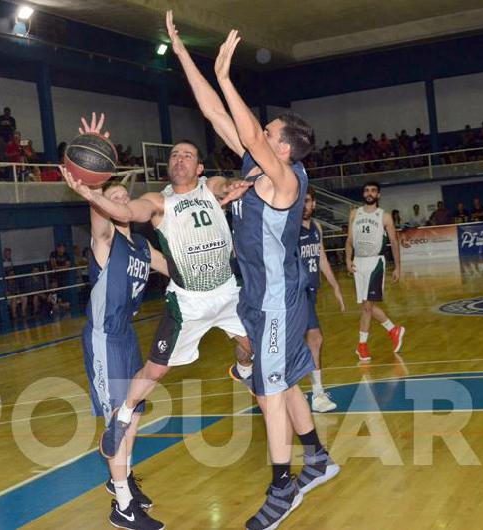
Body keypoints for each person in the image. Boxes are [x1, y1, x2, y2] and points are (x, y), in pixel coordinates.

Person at [199, 23, 338, 529]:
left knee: (270, 392)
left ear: (281, 149)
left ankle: (283, 488)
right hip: (259, 297)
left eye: (270, 131)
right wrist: (192, 64)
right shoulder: (258, 165)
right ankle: (317, 459)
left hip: (277, 300)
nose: (263, 131)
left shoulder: (283, 177)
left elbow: (249, 130)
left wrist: (226, 74)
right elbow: (217, 115)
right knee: (281, 384)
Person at [63, 115, 252, 467]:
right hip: (183, 306)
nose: (179, 159)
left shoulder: (209, 189)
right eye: (174, 155)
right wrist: (91, 189)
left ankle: (242, 370)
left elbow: (224, 185)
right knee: (156, 372)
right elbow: (125, 211)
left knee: (250, 348)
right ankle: (123, 417)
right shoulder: (156, 203)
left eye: (187, 155)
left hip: (226, 291)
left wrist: (232, 188)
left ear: (199, 168)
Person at [63, 112, 170, 530]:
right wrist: (97, 174)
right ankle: (123, 506)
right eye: (117, 198)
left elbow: (179, 269)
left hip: (127, 337)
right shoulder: (105, 241)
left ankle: (120, 479)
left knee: (134, 412)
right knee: (116, 420)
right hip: (104, 337)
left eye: (127, 198)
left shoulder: (143, 247)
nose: (122, 202)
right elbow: (97, 205)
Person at [345, 181, 405, 362]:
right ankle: (393, 330)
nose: (369, 193)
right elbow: (349, 239)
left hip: (375, 262)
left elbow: (394, 242)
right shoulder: (354, 213)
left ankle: (362, 345)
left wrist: (398, 267)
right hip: (358, 262)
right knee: (366, 306)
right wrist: (347, 259)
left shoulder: (384, 216)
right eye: (366, 190)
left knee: (368, 306)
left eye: (373, 191)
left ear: (378, 195)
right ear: (363, 194)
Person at [300, 187, 346, 413]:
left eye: (306, 201)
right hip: (295, 292)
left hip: (311, 290)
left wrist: (335, 286)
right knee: (315, 338)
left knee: (302, 342)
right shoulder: (290, 228)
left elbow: (322, 258)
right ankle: (317, 395)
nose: (303, 205)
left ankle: (275, 385)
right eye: (300, 201)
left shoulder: (316, 227)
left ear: (314, 204)